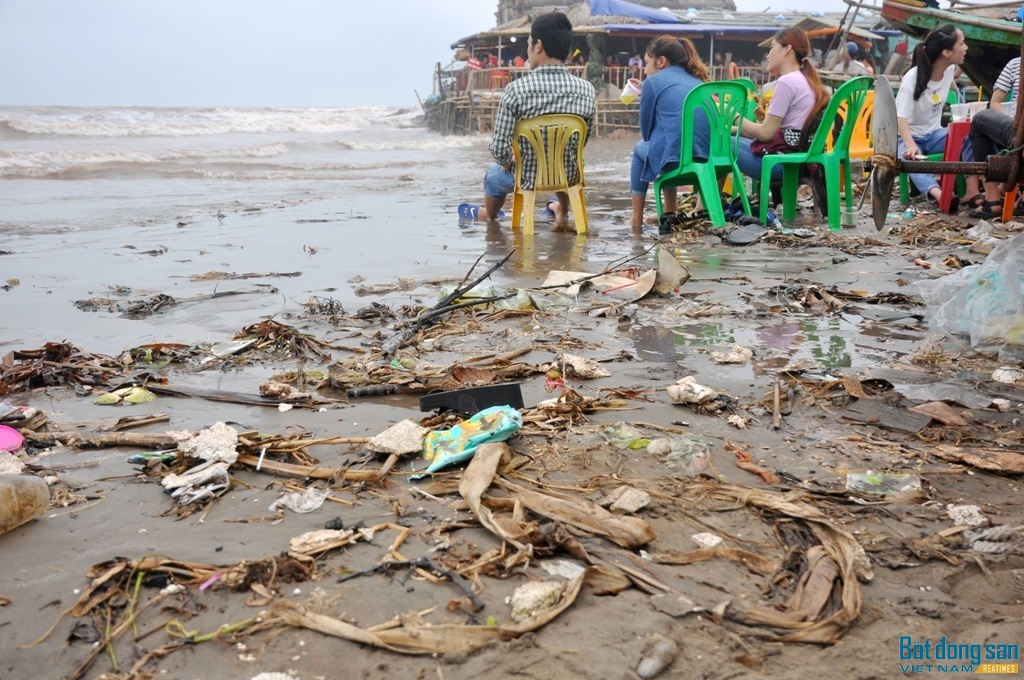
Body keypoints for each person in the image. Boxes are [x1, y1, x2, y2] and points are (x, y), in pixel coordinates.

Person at [477, 12, 597, 229]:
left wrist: (507, 162)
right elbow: (583, 139)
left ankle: (491, 218)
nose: (528, 49)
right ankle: (563, 210)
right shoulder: (587, 90)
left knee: (492, 177)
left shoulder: (515, 91)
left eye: (529, 43)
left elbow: (497, 147)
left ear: (538, 46)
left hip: (527, 177)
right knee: (562, 158)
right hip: (569, 174)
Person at [628, 36, 711, 230]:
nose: (645, 70)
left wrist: (647, 93)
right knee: (668, 144)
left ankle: (636, 219)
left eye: (647, 63)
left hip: (675, 162)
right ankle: (669, 210)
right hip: (706, 163)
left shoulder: (652, 82)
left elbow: (647, 134)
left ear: (661, 61)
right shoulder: (698, 81)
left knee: (642, 149)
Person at [732, 27, 831, 183]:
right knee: (730, 136)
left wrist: (734, 116)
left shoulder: (787, 82)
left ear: (787, 49)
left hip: (780, 165)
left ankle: (708, 205)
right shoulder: (805, 80)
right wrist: (736, 129)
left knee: (718, 141)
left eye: (772, 47)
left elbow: (766, 133)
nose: (767, 55)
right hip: (800, 161)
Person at [895, 23, 967, 208]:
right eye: (962, 43)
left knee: (969, 137)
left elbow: (956, 91)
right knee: (908, 158)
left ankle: (970, 191)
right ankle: (939, 194)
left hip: (935, 134)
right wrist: (910, 145)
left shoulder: (949, 70)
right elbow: (900, 117)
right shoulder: (912, 77)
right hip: (907, 137)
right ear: (946, 53)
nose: (966, 48)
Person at [966, 56, 1020, 218]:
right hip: (1016, 129)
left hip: (1019, 134)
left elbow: (994, 103)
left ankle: (992, 198)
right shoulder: (1015, 64)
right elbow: (995, 103)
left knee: (980, 119)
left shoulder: (1018, 63)